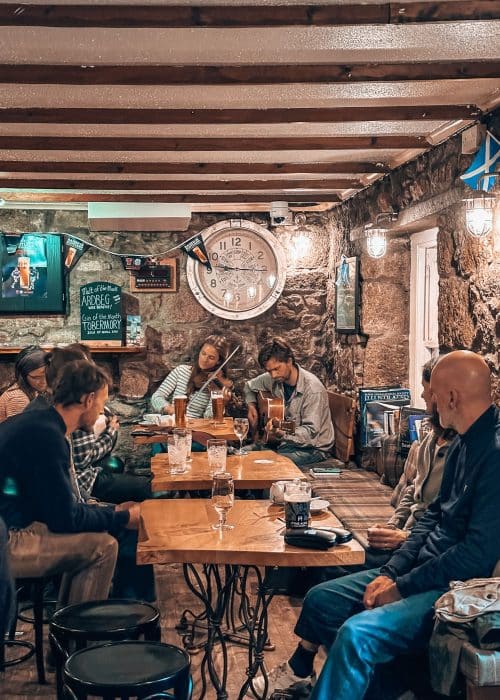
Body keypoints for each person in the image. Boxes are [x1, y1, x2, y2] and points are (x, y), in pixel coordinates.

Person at [250, 350, 500, 700]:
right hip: (420, 568)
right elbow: (431, 517)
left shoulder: (494, 452)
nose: (427, 399)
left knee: (356, 634)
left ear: (451, 397)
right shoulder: (462, 443)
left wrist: (402, 586)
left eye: (431, 394)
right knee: (323, 598)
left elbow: (476, 555)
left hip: (454, 588)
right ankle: (363, 685)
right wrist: (393, 571)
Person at [0, 360, 141, 607]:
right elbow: (65, 519)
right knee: (103, 547)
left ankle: (69, 629)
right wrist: (121, 517)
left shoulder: (41, 423)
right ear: (88, 400)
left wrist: (111, 513)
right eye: (102, 402)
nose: (102, 410)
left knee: (99, 529)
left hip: (17, 523)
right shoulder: (48, 438)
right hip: (8, 540)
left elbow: (59, 507)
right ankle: (79, 641)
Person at [366, 358, 455, 563]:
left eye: (428, 391)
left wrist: (404, 538)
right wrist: (393, 526)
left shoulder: (464, 452)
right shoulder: (430, 440)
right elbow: (412, 491)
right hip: (407, 538)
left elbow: (445, 520)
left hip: (424, 549)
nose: (423, 395)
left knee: (329, 579)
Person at [244, 337, 334, 467]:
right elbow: (249, 386)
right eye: (269, 371)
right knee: (241, 455)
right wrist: (251, 406)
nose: (273, 375)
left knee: (264, 464)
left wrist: (281, 433)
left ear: (289, 361)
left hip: (312, 449)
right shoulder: (276, 379)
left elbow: (310, 434)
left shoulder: (313, 389)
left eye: (276, 369)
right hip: (284, 444)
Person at [151, 334, 233, 419]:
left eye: (211, 357)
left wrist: (221, 403)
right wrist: (169, 409)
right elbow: (156, 397)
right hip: (175, 426)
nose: (204, 360)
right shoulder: (181, 371)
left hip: (197, 429)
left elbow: (209, 418)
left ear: (218, 362)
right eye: (203, 353)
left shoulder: (216, 384)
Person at [0, 345, 47, 422]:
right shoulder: (18, 398)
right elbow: (20, 433)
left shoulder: (32, 390)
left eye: (46, 375)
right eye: (35, 377)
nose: (43, 381)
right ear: (23, 376)